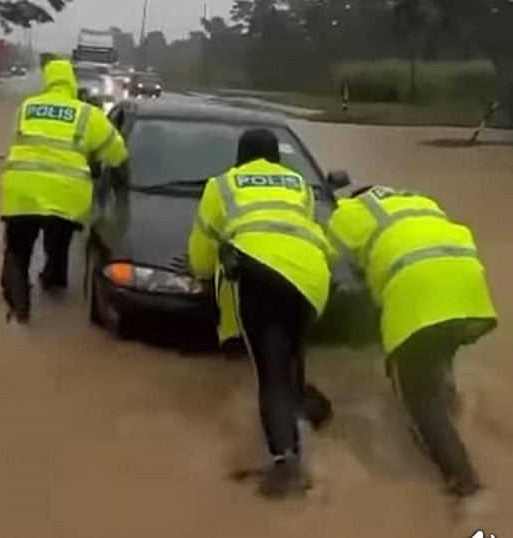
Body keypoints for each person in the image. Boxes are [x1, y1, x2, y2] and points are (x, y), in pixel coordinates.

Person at [325, 185, 498, 501]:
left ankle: (466, 486)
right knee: (439, 357)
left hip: (417, 298)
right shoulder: (420, 201)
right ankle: (450, 405)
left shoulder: (347, 212)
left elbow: (335, 267)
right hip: (470, 291)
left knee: (419, 399)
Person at [187, 128, 333, 498]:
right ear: (276, 158)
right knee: (292, 350)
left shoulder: (222, 185)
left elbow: (203, 250)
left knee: (270, 374)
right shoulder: (298, 184)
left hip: (260, 275)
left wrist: (204, 274)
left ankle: (286, 462)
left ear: (240, 156)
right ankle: (304, 417)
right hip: (312, 276)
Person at [0, 55, 128, 324]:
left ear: (47, 81)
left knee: (17, 250)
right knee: (59, 243)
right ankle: (53, 281)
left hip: (21, 190)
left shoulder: (27, 107)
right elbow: (117, 154)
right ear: (71, 82)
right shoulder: (86, 114)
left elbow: (18, 141)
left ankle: (19, 310)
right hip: (67, 195)